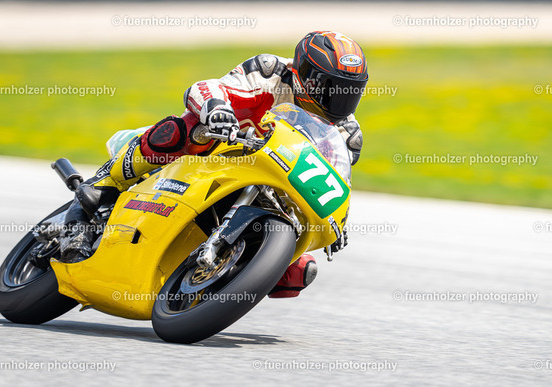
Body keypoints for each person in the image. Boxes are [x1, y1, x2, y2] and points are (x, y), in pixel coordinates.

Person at [60, 30, 368, 298]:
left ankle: (213, 279)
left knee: (298, 273)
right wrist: (218, 109)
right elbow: (207, 87)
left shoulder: (347, 135)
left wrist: (335, 221)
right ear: (303, 73)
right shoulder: (270, 72)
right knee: (185, 130)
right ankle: (103, 184)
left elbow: (333, 181)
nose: (338, 100)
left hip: (269, 185)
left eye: (349, 91)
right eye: (329, 86)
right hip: (218, 150)